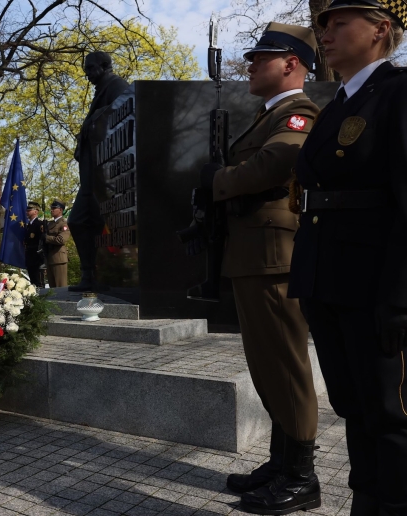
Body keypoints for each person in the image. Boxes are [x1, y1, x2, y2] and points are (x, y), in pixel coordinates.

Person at [197, 23, 322, 514]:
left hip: (275, 260)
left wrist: (219, 180)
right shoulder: (266, 115)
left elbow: (277, 165)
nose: (250, 65)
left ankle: (302, 477)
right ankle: (281, 462)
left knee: (286, 368)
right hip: (253, 258)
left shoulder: (298, 114)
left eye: (260, 57)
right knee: (267, 368)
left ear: (291, 63)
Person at [288, 2, 407, 514]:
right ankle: (368, 503)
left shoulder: (399, 94)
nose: (325, 34)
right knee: (353, 409)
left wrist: (400, 299)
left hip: (377, 286)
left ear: (381, 29)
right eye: (323, 25)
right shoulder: (336, 103)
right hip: (329, 283)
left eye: (339, 24)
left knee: (391, 416)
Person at [68, 51, 129, 292]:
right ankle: (89, 275)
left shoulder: (117, 87)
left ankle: (109, 274)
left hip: (103, 176)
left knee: (90, 221)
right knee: (79, 221)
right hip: (90, 176)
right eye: (86, 70)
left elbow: (119, 122)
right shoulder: (102, 90)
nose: (88, 75)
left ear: (105, 66)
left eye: (91, 69)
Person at [44, 200, 70, 288]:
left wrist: (47, 238)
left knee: (60, 287)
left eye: (54, 208)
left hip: (59, 259)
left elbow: (61, 239)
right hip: (50, 257)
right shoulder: (49, 224)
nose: (52, 210)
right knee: (52, 289)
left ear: (61, 210)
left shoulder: (64, 223)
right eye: (51, 208)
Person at [23, 201, 45, 287]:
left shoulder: (39, 224)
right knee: (32, 281)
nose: (27, 212)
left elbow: (42, 241)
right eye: (27, 210)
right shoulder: (29, 225)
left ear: (36, 211)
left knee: (38, 281)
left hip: (37, 257)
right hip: (29, 256)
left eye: (29, 210)